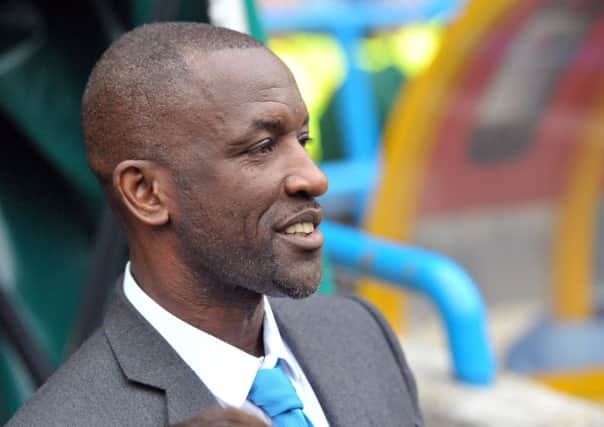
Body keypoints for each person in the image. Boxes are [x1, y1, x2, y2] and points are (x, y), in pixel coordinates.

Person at [7, 23, 422, 427]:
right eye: (262, 147)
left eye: (303, 140)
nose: (314, 178)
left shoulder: (358, 332)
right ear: (146, 192)